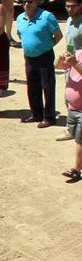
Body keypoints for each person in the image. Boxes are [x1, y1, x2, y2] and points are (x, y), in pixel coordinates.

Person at [14, 0, 63, 128]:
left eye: (30, 1)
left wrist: (47, 46)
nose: (26, 4)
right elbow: (20, 34)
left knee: (47, 87)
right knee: (32, 87)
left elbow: (58, 35)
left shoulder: (47, 16)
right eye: (24, 1)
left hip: (45, 56)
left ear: (37, 2)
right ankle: (37, 114)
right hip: (29, 57)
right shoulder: (20, 18)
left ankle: (49, 117)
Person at [57, 43, 82, 181]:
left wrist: (75, 64)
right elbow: (58, 66)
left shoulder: (76, 58)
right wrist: (61, 58)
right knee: (77, 138)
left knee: (80, 140)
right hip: (73, 108)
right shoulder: (78, 53)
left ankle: (76, 170)